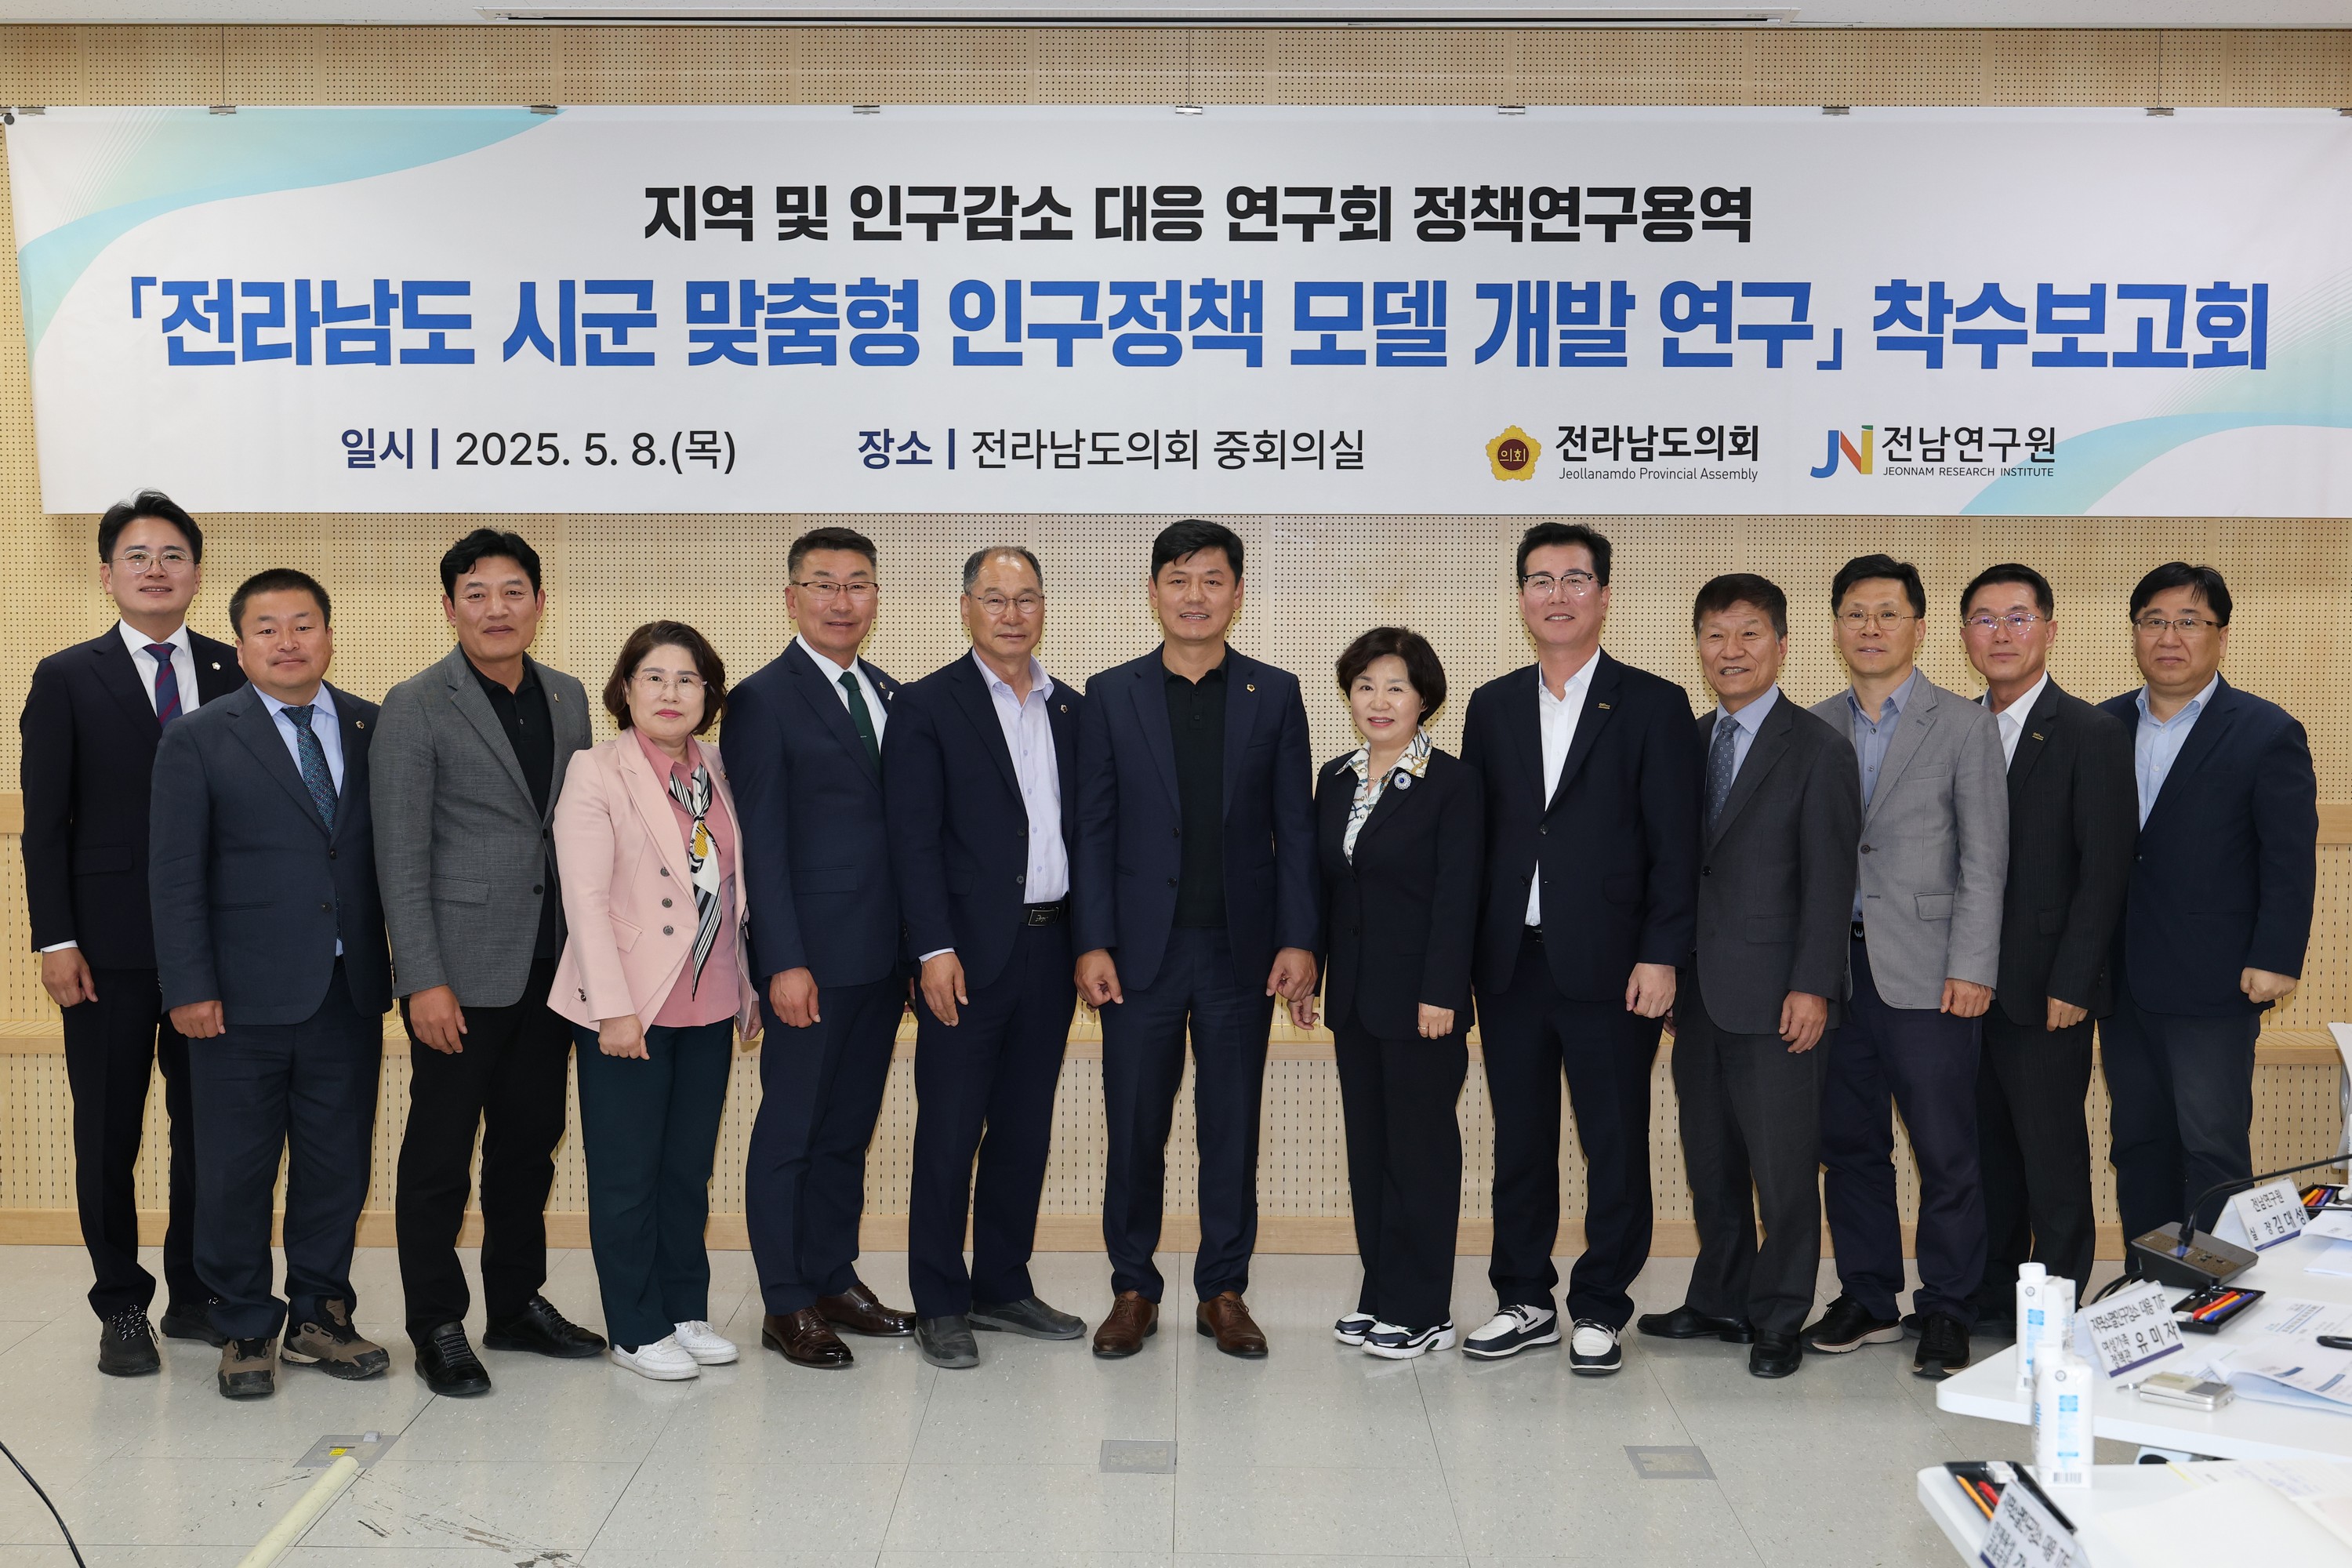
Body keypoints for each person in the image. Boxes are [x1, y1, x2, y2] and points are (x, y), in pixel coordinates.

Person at [1073, 520, 1319, 1359]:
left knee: (1231, 1127)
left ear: (1237, 594)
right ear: (1153, 592)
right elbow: (1092, 828)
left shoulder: (1274, 693)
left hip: (1240, 954)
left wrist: (1300, 938)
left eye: (1212, 580)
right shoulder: (1111, 693)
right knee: (1134, 1127)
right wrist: (1092, 940)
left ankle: (1224, 1289)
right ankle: (1133, 1287)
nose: (1195, 596)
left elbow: (1295, 829)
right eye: (1178, 580)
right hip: (1137, 955)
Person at [1459, 522, 1699, 1376]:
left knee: (1614, 1140)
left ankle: (1600, 1305)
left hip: (1614, 965)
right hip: (1511, 965)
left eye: (1574, 579)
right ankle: (1524, 1297)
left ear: (1604, 594)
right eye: (1539, 580)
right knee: (1519, 1142)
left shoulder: (1654, 703)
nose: (1556, 595)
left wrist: (1662, 953)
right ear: (1521, 597)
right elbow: (1478, 841)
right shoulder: (1490, 705)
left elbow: (1677, 843)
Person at [149, 569, 394, 1400]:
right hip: (236, 998)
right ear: (241, 643)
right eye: (267, 628)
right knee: (234, 1169)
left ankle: (320, 1312)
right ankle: (245, 1321)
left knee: (336, 1164)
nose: (288, 642)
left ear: (329, 634)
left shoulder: (370, 725)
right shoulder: (197, 737)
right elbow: (174, 875)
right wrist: (188, 986)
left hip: (347, 990)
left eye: (304, 624)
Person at [19, 491, 243, 1376]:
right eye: (138, 556)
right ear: (107, 573)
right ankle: (120, 1301)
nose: (157, 569)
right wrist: (55, 940)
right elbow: (46, 824)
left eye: (173, 554)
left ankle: (195, 1290)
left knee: (208, 1130)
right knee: (109, 1131)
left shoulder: (235, 668)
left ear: (197, 571)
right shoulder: (66, 676)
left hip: (214, 948)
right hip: (104, 949)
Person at [374, 530, 603, 1396]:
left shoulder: (569, 696)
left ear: (540, 603)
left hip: (553, 966)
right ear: (450, 607)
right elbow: (400, 855)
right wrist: (422, 978)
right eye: (476, 593)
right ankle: (436, 1321)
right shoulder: (416, 704)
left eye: (513, 592)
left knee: (528, 1147)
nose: (496, 609)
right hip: (459, 975)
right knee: (439, 1155)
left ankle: (514, 1305)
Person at [1635, 575, 1859, 1380]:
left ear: (1783, 645)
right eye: (1715, 635)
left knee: (1784, 1169)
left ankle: (1779, 1315)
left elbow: (1831, 880)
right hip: (1698, 995)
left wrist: (1814, 984)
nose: (1731, 651)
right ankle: (1720, 1297)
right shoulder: (1687, 740)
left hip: (1780, 997)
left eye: (1749, 633)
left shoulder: (1819, 747)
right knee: (1713, 1163)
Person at [1803, 554, 2006, 1382]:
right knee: (1849, 1145)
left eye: (1888, 613)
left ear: (1919, 628)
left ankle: (1949, 1305)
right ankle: (1869, 1295)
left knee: (1945, 1148)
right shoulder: (1812, 725)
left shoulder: (1962, 724)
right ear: (1837, 627)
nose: (1872, 628)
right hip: (1835, 975)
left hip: (1931, 972)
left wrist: (1974, 965)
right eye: (1856, 613)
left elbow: (1985, 860)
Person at [886, 547, 1088, 1370]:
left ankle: (1002, 1284)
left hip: (1052, 945)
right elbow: (912, 838)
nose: (1012, 614)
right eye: (995, 598)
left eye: (1027, 598)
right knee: (949, 1128)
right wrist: (931, 947)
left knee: (1024, 1127)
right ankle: (940, 1300)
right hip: (963, 956)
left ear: (1044, 608)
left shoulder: (1071, 709)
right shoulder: (927, 704)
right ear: (965, 606)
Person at [720, 526, 916, 1367]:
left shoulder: (889, 691)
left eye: (857, 583)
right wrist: (783, 961)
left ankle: (833, 1276)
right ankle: (786, 1300)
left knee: (846, 1130)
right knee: (792, 1131)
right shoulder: (763, 698)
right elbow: (760, 842)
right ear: (791, 597)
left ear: (875, 597)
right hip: (810, 960)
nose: (842, 600)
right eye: (824, 583)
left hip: (881, 959)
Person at [551, 622, 759, 1381]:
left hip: (711, 997)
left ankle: (683, 1311)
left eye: (688, 679)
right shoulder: (596, 770)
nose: (671, 693)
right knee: (626, 1176)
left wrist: (748, 985)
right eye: (654, 678)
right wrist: (613, 1008)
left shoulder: (720, 768)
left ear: (709, 694)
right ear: (626, 689)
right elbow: (585, 899)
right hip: (630, 1007)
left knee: (686, 1172)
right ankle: (636, 1328)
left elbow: (733, 889)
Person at [2098, 563, 2317, 1253]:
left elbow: (2288, 857)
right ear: (2135, 633)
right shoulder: (2101, 724)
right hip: (2120, 975)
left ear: (2221, 636)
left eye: (2189, 622)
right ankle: (2150, 1281)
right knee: (2137, 1141)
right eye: (2154, 622)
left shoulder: (2265, 731)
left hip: (2216, 979)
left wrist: (2276, 957)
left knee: (2212, 1145)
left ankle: (2215, 1289)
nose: (2170, 637)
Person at [1958, 564, 2133, 1319]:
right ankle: (1993, 1293)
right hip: (1961, 986)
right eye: (1985, 619)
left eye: (2018, 617)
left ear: (2050, 630)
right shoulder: (1954, 728)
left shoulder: (2091, 733)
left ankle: (2056, 1300)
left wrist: (2075, 979)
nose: (2001, 634)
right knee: (1985, 1151)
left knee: (2051, 1156)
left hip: (2046, 988)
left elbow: (2105, 870)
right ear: (1965, 636)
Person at [1308, 627, 1481, 1360]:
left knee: (1421, 1157)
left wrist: (1443, 990)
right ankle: (1381, 1295)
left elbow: (1458, 896)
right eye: (1365, 686)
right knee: (1372, 1154)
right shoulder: (1336, 778)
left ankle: (1424, 1310)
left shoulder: (1453, 782)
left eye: (1396, 687)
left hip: (1422, 1004)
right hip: (1355, 998)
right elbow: (1327, 890)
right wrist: (1312, 975)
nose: (1378, 701)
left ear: (1424, 700)